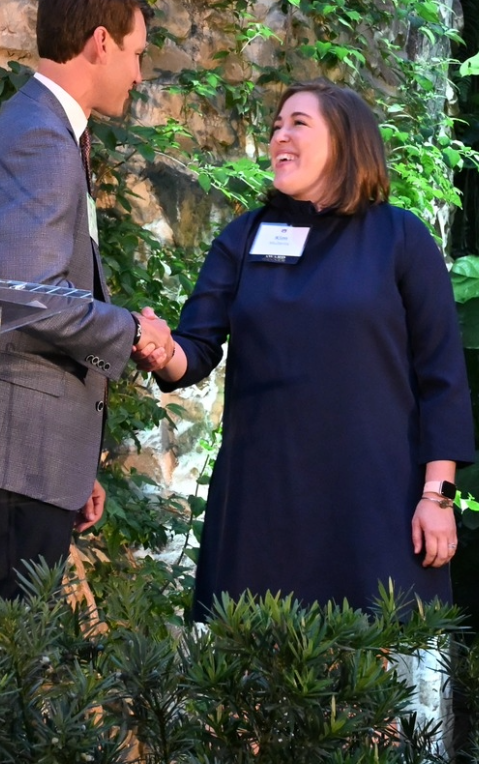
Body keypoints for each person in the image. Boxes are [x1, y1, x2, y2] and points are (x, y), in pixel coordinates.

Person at [140, 81, 473, 616]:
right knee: (258, 677)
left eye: (298, 123)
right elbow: (194, 351)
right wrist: (158, 349)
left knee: (358, 677)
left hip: (371, 494)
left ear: (345, 140)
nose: (280, 136)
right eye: (276, 127)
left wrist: (437, 496)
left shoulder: (400, 237)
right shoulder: (245, 237)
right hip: (264, 494)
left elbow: (442, 377)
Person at [0, 0, 176, 600]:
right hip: (16, 458)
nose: (138, 75)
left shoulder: (41, 127)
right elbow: (35, 297)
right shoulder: (43, 140)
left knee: (11, 654)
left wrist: (75, 464)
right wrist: (132, 329)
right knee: (5, 662)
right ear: (100, 44)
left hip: (37, 459)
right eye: (136, 54)